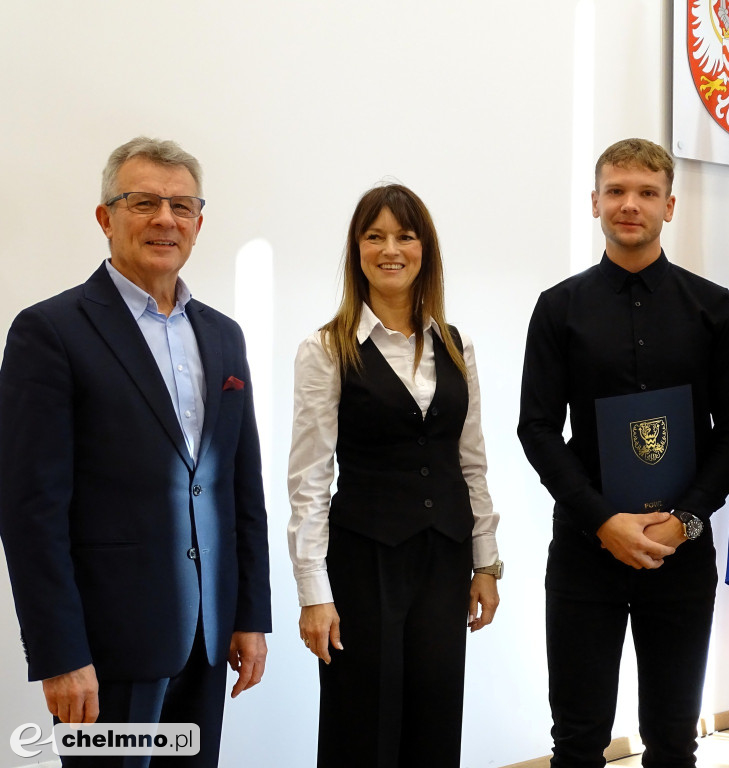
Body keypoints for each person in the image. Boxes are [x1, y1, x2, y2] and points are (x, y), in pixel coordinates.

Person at [0, 137, 272, 767]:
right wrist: (60, 652)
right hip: (106, 648)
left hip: (207, 638)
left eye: (181, 205)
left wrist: (249, 613)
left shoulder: (224, 337)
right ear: (106, 218)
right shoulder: (51, 332)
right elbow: (29, 511)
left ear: (199, 223)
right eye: (143, 201)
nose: (165, 219)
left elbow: (239, 488)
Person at [518, 138, 729, 767]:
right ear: (594, 201)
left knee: (675, 739)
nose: (631, 204)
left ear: (670, 206)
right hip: (584, 551)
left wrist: (687, 521)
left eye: (647, 192)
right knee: (577, 737)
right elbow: (536, 428)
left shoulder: (715, 310)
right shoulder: (558, 309)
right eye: (617, 191)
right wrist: (602, 520)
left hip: (682, 548)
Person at [287, 183, 500, 767]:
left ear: (424, 249)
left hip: (445, 558)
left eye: (405, 236)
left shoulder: (457, 346)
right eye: (374, 236)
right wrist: (313, 593)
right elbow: (308, 479)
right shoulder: (326, 349)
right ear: (357, 250)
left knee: (434, 718)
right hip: (364, 561)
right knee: (363, 722)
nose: (391, 249)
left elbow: (471, 461)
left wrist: (486, 562)